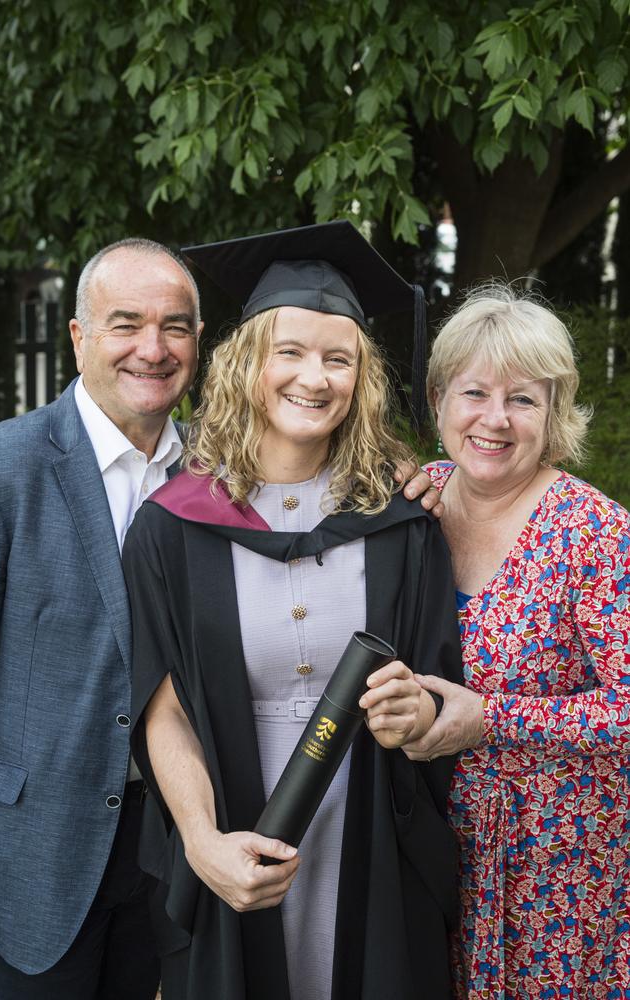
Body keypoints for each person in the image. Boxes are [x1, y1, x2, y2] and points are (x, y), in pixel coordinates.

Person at [122, 220, 464, 1000]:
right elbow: (163, 709)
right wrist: (203, 843)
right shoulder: (172, 528)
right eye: (291, 352)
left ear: (361, 378)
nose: (315, 377)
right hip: (236, 828)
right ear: (247, 363)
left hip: (375, 838)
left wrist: (418, 709)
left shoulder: (403, 525)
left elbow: (440, 685)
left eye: (338, 358)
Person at [0, 238, 202, 999]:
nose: (153, 348)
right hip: (33, 855)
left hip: (170, 844)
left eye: (176, 326)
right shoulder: (0, 469)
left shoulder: (217, 473)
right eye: (126, 323)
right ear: (79, 337)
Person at [404, 286, 630, 999]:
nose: (494, 420)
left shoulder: (594, 534)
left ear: (554, 411)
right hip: (434, 847)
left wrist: (493, 718)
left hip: (559, 873)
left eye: (523, 399)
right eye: (475, 392)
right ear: (440, 398)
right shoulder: (416, 506)